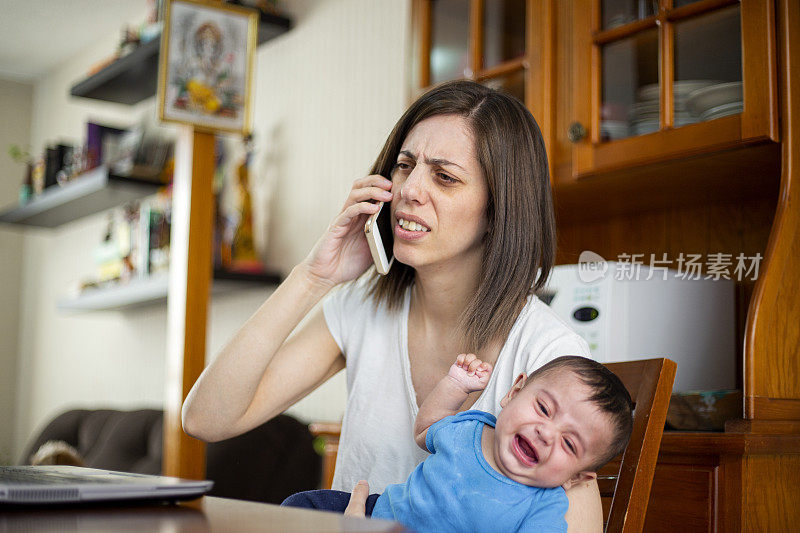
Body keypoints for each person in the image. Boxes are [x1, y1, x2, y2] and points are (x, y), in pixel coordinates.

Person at [181, 80, 604, 530]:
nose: (409, 189)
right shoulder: (363, 307)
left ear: (500, 208)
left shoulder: (550, 360)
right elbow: (207, 418)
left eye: (444, 176)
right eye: (405, 166)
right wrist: (313, 277)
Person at [281, 355, 633, 532]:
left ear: (576, 479)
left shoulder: (543, 507)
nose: (545, 432)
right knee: (299, 507)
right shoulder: (472, 426)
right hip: (378, 514)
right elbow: (426, 429)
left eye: (569, 444)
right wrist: (454, 386)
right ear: (514, 391)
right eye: (543, 408)